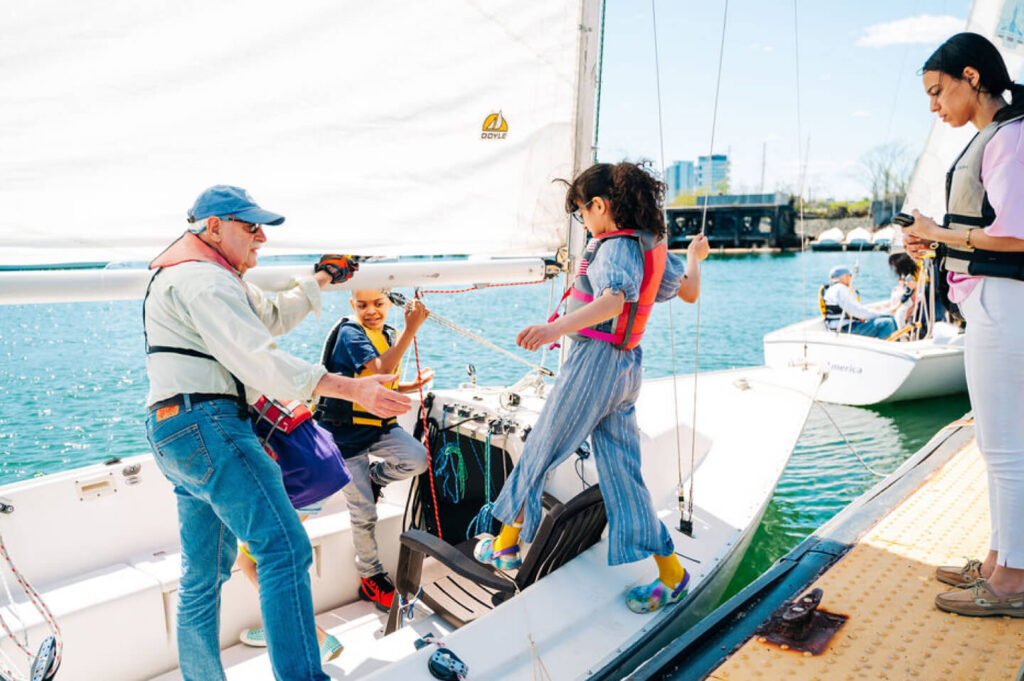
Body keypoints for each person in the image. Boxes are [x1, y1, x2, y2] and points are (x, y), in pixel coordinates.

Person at [143, 185, 412, 680]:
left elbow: (269, 318)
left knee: (203, 577)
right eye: (251, 227)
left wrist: (322, 278)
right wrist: (352, 389)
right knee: (284, 546)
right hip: (210, 426)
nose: (262, 237)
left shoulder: (203, 278)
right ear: (214, 227)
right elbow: (257, 359)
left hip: (173, 432)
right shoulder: (206, 281)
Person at [473, 161, 710, 614]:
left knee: (541, 448)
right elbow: (689, 293)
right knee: (623, 474)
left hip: (595, 364)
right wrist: (695, 259)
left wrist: (553, 329)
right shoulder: (650, 245)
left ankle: (505, 546)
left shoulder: (616, 248)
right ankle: (672, 575)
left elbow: (613, 299)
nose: (583, 223)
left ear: (600, 206)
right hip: (626, 369)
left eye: (583, 214)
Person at [901, 32, 1024, 617]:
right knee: (996, 443)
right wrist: (937, 243)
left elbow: (1017, 233)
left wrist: (940, 232)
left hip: (1005, 301)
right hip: (994, 299)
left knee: (1005, 448)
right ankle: (1003, 561)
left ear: (971, 77)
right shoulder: (998, 137)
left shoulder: (1010, 138)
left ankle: (1014, 582)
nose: (934, 107)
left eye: (937, 91)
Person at [314, 289, 433, 612]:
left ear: (389, 304)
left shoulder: (388, 334)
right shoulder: (351, 334)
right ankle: (371, 577)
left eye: (379, 304)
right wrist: (411, 329)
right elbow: (378, 365)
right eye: (362, 304)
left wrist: (410, 386)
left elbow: (382, 378)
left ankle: (375, 477)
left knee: (417, 459)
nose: (371, 311)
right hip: (345, 439)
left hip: (378, 428)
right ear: (352, 305)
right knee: (364, 512)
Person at [820, 265, 898, 338]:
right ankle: (888, 348)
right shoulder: (841, 289)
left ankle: (895, 344)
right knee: (887, 322)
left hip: (840, 328)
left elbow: (854, 310)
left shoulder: (831, 289)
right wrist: (880, 315)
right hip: (845, 329)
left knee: (889, 319)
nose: (851, 278)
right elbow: (857, 311)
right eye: (850, 276)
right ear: (843, 277)